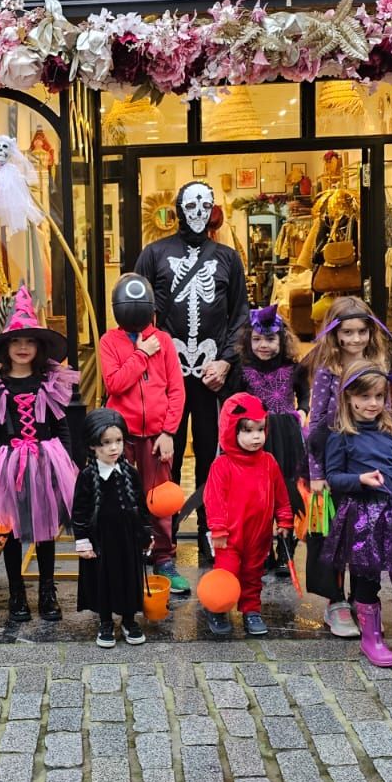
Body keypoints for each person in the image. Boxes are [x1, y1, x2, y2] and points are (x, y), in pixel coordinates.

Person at [131, 181, 250, 547]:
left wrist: (227, 362)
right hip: (169, 376)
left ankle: (206, 527)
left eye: (204, 205)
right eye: (190, 205)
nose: (198, 212)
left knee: (212, 452)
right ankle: (163, 534)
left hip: (212, 376)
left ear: (212, 208)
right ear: (179, 209)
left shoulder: (228, 258)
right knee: (165, 453)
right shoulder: (153, 254)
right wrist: (151, 354)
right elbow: (136, 310)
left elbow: (241, 315)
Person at [0, 284, 82, 623]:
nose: (22, 347)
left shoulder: (49, 383)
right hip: (8, 463)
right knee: (12, 529)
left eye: (29, 341)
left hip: (46, 462)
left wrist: (69, 463)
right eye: (16, 341)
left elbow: (62, 427)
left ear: (38, 347)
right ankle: (17, 592)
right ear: (6, 347)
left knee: (45, 529)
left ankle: (48, 592)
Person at [321, 362, 392, 669]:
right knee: (365, 579)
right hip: (361, 517)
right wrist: (359, 480)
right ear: (348, 397)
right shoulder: (340, 434)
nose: (373, 404)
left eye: (379, 396)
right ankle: (370, 638)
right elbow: (333, 477)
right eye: (365, 397)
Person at [302, 296, 392, 639]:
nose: (355, 339)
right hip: (333, 462)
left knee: (366, 535)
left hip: (369, 462)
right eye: (347, 332)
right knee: (332, 536)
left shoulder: (382, 362)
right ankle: (335, 601)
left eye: (361, 332)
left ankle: (363, 599)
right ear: (335, 334)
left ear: (372, 331)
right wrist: (316, 474)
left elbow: (387, 414)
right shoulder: (328, 367)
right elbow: (316, 421)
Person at [98, 273, 186, 593]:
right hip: (121, 437)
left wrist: (169, 432)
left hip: (156, 437)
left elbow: (176, 390)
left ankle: (164, 557)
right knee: (120, 499)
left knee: (161, 500)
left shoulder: (163, 341)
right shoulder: (110, 342)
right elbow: (115, 384)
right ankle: (125, 556)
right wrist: (142, 354)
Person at [201, 394, 293, 639]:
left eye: (260, 429)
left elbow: (280, 493)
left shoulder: (269, 462)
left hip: (258, 534)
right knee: (226, 573)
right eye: (248, 430)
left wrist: (284, 519)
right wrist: (218, 529)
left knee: (253, 574)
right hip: (229, 536)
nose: (256, 437)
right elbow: (214, 500)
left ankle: (251, 610)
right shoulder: (222, 465)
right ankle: (217, 608)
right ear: (232, 431)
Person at [71, 408, 152, 648]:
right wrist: (82, 541)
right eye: (106, 443)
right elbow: (79, 511)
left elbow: (141, 504)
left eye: (118, 441)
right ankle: (105, 621)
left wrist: (146, 533)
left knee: (129, 577)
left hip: (127, 538)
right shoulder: (87, 476)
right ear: (93, 445)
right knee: (102, 579)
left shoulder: (130, 473)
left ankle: (129, 619)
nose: (114, 448)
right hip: (101, 541)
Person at [240, 305, 308, 542]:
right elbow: (234, 401)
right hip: (256, 436)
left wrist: (302, 409)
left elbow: (305, 393)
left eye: (270, 339)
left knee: (288, 489)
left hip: (287, 435)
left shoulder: (293, 368)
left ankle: (285, 546)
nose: (263, 345)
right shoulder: (244, 370)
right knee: (258, 491)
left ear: (282, 340)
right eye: (257, 339)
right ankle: (263, 545)